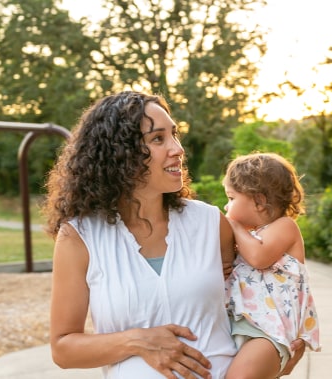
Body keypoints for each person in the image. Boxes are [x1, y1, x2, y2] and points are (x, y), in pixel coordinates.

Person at [43, 91, 304, 378]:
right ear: (120, 154)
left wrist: (275, 354)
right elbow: (63, 348)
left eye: (174, 135)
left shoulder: (211, 222)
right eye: (158, 139)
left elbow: (257, 302)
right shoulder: (79, 237)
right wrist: (137, 341)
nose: (177, 148)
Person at [223, 152, 320, 379]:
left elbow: (259, 257)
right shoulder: (250, 238)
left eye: (230, 198)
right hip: (242, 326)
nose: (226, 207)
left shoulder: (285, 227)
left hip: (270, 333)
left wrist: (235, 228)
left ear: (259, 201)